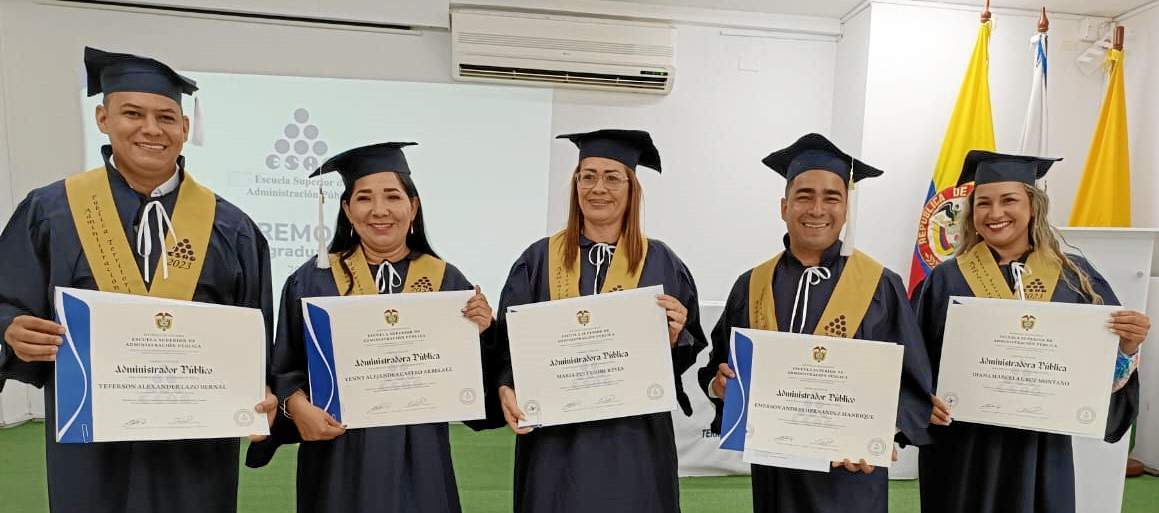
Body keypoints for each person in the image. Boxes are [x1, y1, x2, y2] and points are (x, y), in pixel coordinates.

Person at [0, 47, 274, 513]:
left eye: (166, 117)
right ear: (103, 118)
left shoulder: (232, 228)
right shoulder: (52, 212)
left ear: (184, 129)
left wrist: (260, 389)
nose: (151, 129)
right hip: (90, 442)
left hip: (195, 444)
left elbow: (256, 333)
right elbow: (7, 299)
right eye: (132, 113)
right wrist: (11, 328)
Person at [247, 142, 504, 512]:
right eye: (364, 198)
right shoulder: (313, 281)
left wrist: (484, 333)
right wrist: (296, 405)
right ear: (348, 210)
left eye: (393, 197)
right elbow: (284, 368)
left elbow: (475, 392)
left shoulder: (445, 282)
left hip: (421, 457)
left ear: (412, 207)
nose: (379, 210)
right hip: (339, 459)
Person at [699, 133, 933, 513]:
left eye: (832, 197)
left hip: (850, 476)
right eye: (804, 195)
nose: (817, 209)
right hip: (775, 470)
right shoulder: (753, 284)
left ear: (846, 208)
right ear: (784, 206)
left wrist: (880, 432)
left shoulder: (879, 284)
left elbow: (914, 384)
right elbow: (717, 368)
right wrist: (719, 384)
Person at [911, 150, 1148, 513]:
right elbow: (916, 362)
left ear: (1033, 206)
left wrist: (1127, 347)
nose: (995, 214)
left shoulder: (1073, 277)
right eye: (983, 203)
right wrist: (923, 402)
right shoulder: (948, 278)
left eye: (1009, 201)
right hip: (963, 447)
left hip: (1040, 448)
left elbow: (1097, 374)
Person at [493, 129, 708, 513]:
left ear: (632, 189)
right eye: (587, 176)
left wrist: (677, 337)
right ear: (575, 185)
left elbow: (687, 350)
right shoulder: (539, 259)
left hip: (633, 437)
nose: (598, 188)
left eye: (612, 177)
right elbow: (509, 344)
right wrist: (507, 384)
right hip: (555, 441)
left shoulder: (661, 261)